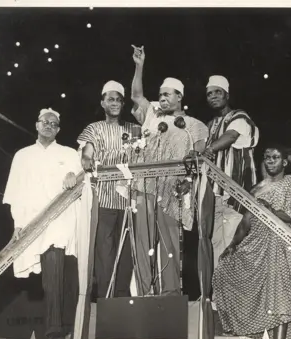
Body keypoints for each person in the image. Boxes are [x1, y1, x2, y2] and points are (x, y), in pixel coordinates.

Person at [212, 145, 291, 339]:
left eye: (276, 157)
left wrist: (269, 208)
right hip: (256, 243)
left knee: (279, 296)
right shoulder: (255, 188)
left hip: (282, 242)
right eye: (267, 157)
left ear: (285, 162)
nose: (271, 161)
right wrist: (233, 244)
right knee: (223, 269)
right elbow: (246, 221)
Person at [130, 45, 209, 296]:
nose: (162, 98)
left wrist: (188, 180)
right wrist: (139, 65)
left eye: (167, 95)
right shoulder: (152, 117)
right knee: (143, 241)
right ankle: (144, 293)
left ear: (179, 97)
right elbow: (135, 96)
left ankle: (171, 294)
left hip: (174, 190)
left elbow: (199, 158)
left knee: (170, 243)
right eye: (160, 95)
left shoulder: (194, 126)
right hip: (145, 186)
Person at [3, 108, 82, 339]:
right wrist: (18, 224)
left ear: (58, 129)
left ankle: (71, 325)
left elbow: (83, 177)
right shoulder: (22, 156)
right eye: (45, 122)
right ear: (36, 125)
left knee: (66, 273)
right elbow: (15, 193)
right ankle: (55, 328)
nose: (49, 125)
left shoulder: (69, 153)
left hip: (64, 219)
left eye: (54, 123)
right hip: (35, 222)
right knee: (52, 269)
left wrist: (72, 175)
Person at [77, 81, 141, 298]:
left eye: (118, 100)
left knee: (127, 253)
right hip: (103, 200)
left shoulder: (135, 129)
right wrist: (86, 158)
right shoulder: (94, 128)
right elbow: (88, 152)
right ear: (103, 103)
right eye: (110, 99)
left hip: (129, 201)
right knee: (104, 253)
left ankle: (122, 299)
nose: (115, 103)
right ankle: (106, 299)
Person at [203, 75, 259, 269]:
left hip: (236, 196)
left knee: (234, 247)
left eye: (217, 92)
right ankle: (219, 296)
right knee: (216, 248)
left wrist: (207, 150)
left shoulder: (240, 117)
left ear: (227, 95)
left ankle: (236, 297)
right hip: (216, 196)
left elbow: (230, 136)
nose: (213, 96)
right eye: (209, 94)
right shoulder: (210, 126)